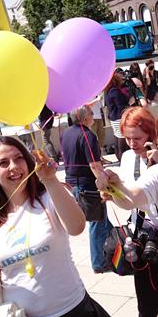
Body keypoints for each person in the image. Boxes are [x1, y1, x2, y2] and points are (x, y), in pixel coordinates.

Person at [0, 136, 124, 317]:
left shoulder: (48, 197)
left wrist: (50, 180)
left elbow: (76, 226)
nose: (13, 167)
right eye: (3, 163)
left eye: (18, 158)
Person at [97, 113, 158, 317]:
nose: (132, 143)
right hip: (144, 239)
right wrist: (113, 192)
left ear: (152, 136)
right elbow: (131, 196)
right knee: (147, 308)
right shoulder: (127, 157)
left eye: (137, 138)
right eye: (128, 138)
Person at [61, 105, 113, 274]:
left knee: (104, 221)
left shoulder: (66, 133)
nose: (93, 115)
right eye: (91, 113)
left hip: (73, 183)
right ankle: (99, 263)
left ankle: (114, 250)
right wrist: (104, 181)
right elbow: (94, 165)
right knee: (97, 222)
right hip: (87, 186)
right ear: (84, 118)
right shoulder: (88, 135)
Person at [105, 70, 130, 161]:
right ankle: (122, 160)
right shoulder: (114, 91)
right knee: (122, 141)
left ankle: (120, 159)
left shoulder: (108, 91)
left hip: (113, 118)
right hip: (118, 118)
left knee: (117, 138)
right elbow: (121, 106)